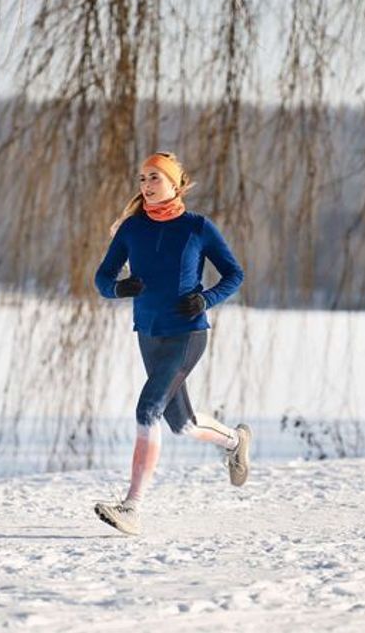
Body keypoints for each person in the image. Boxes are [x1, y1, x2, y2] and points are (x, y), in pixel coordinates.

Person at [92, 151, 250, 536]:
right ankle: (234, 441)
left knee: (148, 408)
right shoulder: (131, 229)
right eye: (143, 178)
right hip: (148, 333)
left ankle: (132, 507)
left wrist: (207, 299)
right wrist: (118, 288)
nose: (146, 185)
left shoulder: (197, 228)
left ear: (176, 184)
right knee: (181, 423)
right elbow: (102, 278)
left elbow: (234, 274)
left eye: (155, 178)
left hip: (187, 333)